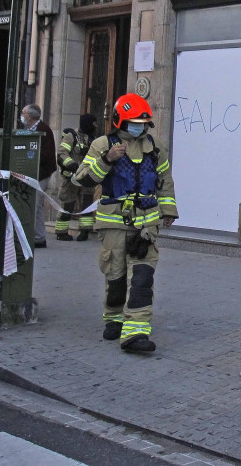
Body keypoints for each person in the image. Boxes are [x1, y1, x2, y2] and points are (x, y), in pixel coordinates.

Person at [72, 94, 177, 353]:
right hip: (114, 223)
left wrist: (169, 210)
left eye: (143, 122)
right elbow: (80, 180)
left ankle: (136, 332)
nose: (139, 126)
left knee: (142, 277)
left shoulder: (155, 147)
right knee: (116, 276)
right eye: (134, 122)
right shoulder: (102, 144)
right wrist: (107, 160)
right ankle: (114, 317)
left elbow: (164, 181)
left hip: (147, 225)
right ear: (120, 121)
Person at [55, 114, 99, 241]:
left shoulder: (93, 139)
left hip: (87, 177)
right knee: (67, 204)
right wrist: (72, 166)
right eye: (93, 124)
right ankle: (62, 232)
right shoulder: (71, 136)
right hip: (71, 177)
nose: (94, 127)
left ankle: (84, 231)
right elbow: (62, 153)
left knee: (87, 204)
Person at [21, 104, 58, 248]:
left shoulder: (43, 130)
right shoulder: (29, 129)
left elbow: (45, 155)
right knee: (37, 206)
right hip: (33, 173)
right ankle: (39, 237)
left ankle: (36, 237)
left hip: (40, 174)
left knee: (35, 205)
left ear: (29, 116)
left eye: (23, 113)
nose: (22, 115)